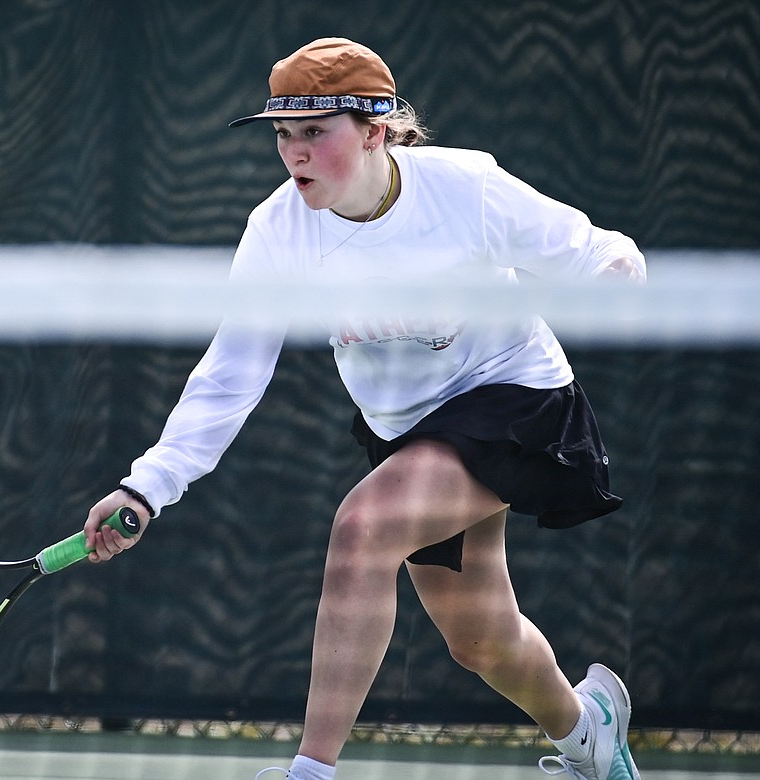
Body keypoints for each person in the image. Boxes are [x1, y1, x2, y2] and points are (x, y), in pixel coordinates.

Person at [83, 37, 645, 780]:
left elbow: (599, 249)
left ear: (376, 130)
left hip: (513, 397)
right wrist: (146, 486)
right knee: (480, 641)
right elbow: (232, 371)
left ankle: (311, 771)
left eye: (316, 132)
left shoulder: (465, 187)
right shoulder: (280, 230)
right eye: (284, 135)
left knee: (362, 528)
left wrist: (612, 283)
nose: (295, 153)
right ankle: (589, 732)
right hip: (409, 432)